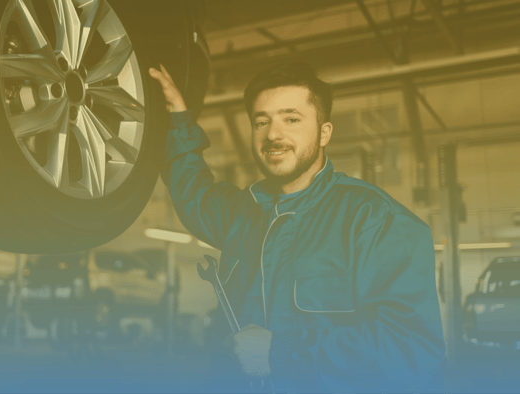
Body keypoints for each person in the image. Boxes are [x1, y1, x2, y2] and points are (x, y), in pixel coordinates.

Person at [149, 63, 446, 393]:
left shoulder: (375, 219)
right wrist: (179, 117)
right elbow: (193, 193)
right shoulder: (242, 212)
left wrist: (282, 353)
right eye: (261, 122)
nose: (273, 134)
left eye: (291, 119)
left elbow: (410, 347)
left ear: (324, 133)